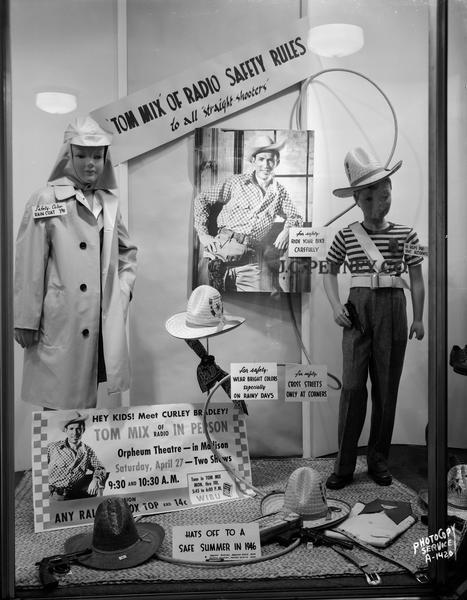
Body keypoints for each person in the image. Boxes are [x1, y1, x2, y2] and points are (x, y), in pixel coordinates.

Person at [14, 116, 137, 409]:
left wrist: (121, 293)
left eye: (97, 155)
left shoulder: (109, 203)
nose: (90, 163)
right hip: (61, 319)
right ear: (68, 155)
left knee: (86, 408)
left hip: (97, 319)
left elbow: (127, 253)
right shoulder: (45, 199)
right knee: (57, 408)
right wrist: (25, 318)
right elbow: (29, 261)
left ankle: (81, 455)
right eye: (81, 155)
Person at [323, 147, 425, 490]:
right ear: (356, 199)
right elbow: (328, 270)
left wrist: (419, 318)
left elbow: (417, 279)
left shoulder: (408, 234)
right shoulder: (346, 235)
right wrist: (335, 304)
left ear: (391, 190)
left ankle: (379, 461)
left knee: (386, 389)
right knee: (352, 388)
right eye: (369, 196)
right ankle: (344, 465)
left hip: (394, 308)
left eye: (384, 193)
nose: (379, 201)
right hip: (358, 309)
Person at [193, 134, 303, 292]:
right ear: (253, 161)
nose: (266, 164)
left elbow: (295, 217)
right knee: (212, 299)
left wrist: (287, 231)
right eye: (261, 159)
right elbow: (201, 199)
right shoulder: (236, 182)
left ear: (277, 162)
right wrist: (203, 234)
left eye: (270, 160)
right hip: (220, 253)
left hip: (251, 261)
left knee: (267, 296)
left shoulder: (279, 192)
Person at [47, 412, 107, 501]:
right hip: (54, 496)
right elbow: (39, 469)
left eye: (78, 429)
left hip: (76, 496)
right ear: (66, 430)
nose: (75, 433)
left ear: (83, 430)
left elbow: (100, 467)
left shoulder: (88, 451)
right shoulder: (53, 448)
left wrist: (95, 480)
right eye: (71, 428)